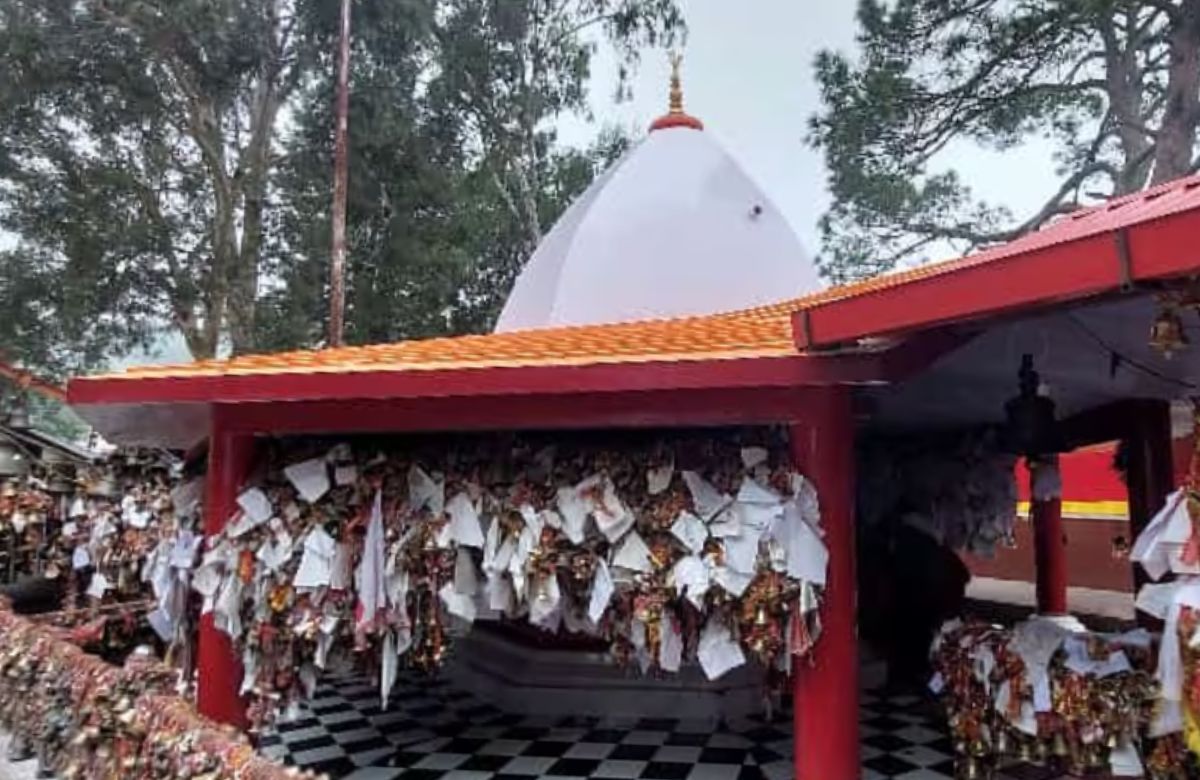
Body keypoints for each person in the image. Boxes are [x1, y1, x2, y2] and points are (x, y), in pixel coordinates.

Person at [861, 512, 971, 693]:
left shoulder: (914, 551)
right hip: (924, 606)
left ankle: (924, 685)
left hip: (922, 604)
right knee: (919, 645)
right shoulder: (928, 552)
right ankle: (926, 685)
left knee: (917, 645)